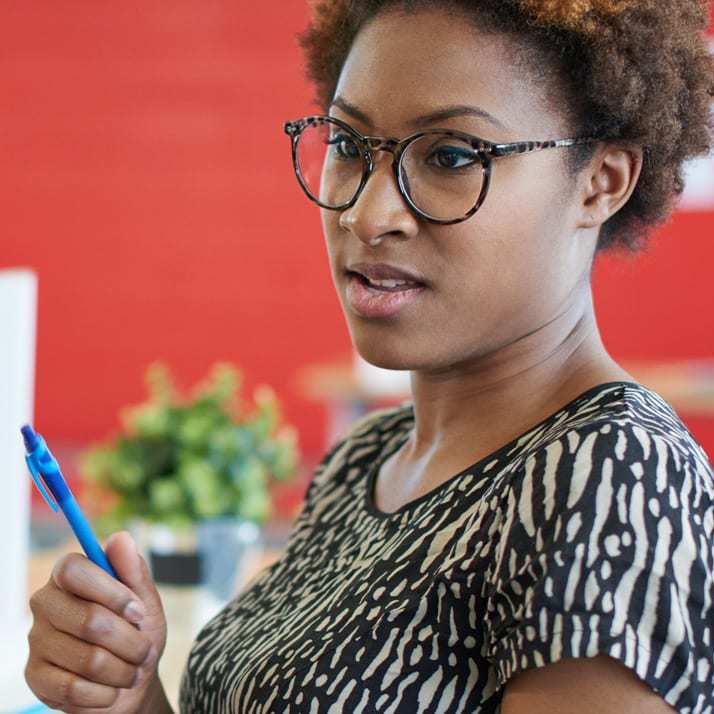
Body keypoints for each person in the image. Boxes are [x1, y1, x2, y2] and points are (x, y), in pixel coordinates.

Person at [24, 0, 714, 712]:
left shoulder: (612, 476)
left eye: (450, 156)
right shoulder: (365, 460)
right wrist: (132, 696)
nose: (367, 213)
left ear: (601, 182)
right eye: (349, 147)